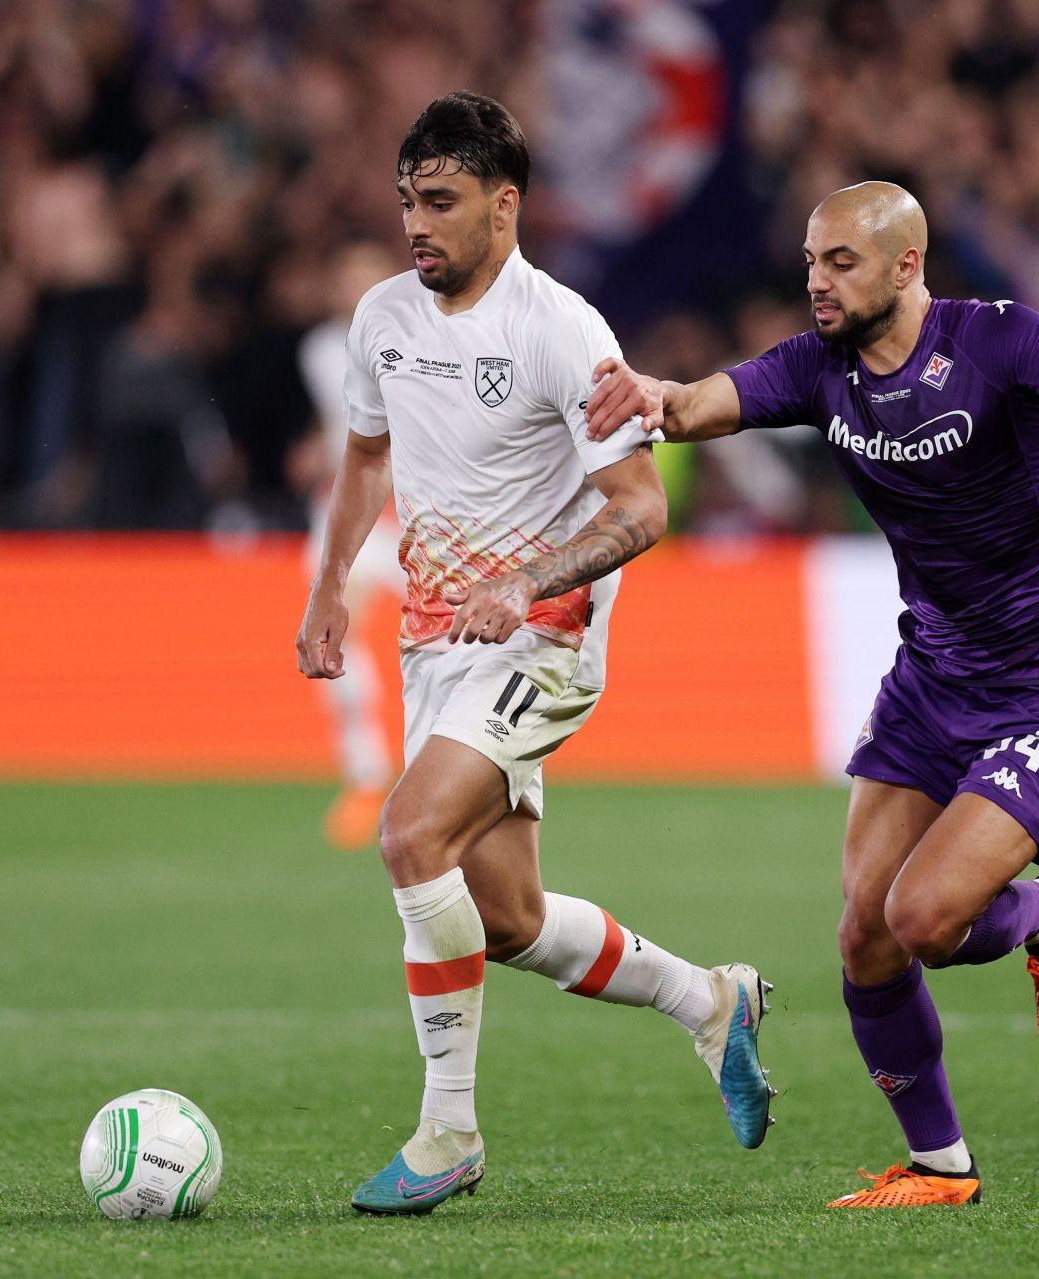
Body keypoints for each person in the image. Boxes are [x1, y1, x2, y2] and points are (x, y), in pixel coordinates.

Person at [587, 182, 1039, 1208]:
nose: (816, 280)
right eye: (811, 261)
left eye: (841, 262)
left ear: (906, 266)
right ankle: (940, 1166)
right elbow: (696, 404)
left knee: (926, 917)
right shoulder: (820, 368)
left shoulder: (994, 342)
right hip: (935, 674)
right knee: (864, 930)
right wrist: (650, 396)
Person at [295, 92, 774, 1217]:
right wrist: (328, 591)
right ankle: (711, 1000)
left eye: (443, 201)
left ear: (504, 207)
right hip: (433, 643)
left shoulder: (564, 331)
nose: (419, 223)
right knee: (505, 915)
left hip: (544, 640)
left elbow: (641, 508)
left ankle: (447, 1129)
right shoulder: (382, 319)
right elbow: (366, 460)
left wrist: (527, 582)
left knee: (410, 833)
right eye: (409, 198)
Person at [296, 242, 408, 849]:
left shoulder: (417, 341)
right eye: (348, 278)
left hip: (414, 511)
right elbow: (345, 424)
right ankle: (365, 775)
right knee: (341, 631)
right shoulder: (316, 349)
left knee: (449, 634)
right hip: (350, 513)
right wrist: (314, 449)